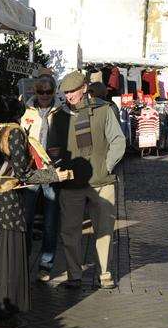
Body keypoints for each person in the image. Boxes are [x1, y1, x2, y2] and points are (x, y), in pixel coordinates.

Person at [0, 123, 71, 328]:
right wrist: (54, 176)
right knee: (8, 259)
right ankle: (4, 315)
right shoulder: (15, 132)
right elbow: (23, 174)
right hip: (8, 205)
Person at [52, 71, 126, 290]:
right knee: (69, 232)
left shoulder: (103, 110)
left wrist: (107, 166)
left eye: (72, 91)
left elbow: (118, 141)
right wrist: (57, 165)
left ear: (84, 88)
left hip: (102, 182)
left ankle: (105, 274)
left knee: (104, 230)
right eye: (65, 92)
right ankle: (74, 275)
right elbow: (53, 149)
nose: (69, 96)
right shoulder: (60, 116)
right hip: (72, 183)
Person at [20, 74, 64, 282]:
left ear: (54, 91)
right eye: (41, 91)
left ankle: (46, 266)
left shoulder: (62, 112)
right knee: (26, 220)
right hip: (32, 171)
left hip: (53, 171)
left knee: (50, 222)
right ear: (35, 92)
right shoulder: (26, 112)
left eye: (48, 91)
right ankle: (24, 261)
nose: (45, 95)